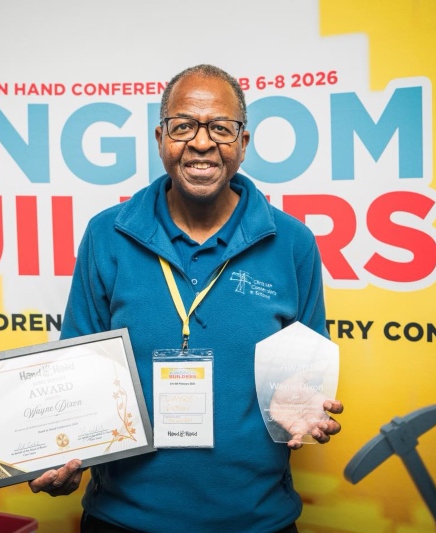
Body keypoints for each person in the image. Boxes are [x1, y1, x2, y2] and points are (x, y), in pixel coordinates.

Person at [29, 64, 343, 533]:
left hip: (257, 521)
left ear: (243, 142)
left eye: (221, 127)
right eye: (183, 127)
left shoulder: (293, 243)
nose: (201, 143)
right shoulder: (107, 234)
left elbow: (305, 369)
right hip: (123, 518)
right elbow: (78, 368)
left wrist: (303, 407)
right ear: (160, 138)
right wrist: (61, 454)